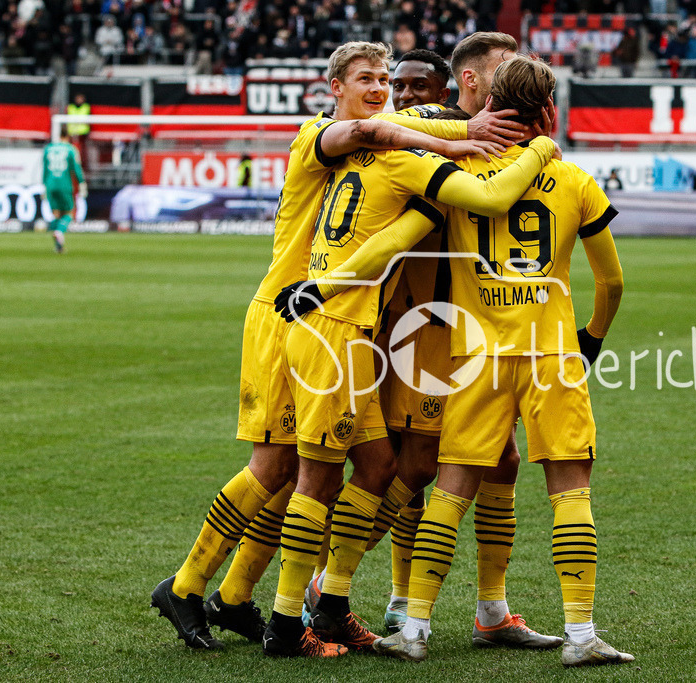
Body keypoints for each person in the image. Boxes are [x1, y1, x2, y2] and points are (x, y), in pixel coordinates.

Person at [150, 39, 530, 656]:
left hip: (341, 320)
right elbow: (371, 131)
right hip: (295, 313)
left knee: (359, 469)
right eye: (369, 78)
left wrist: (454, 135)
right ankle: (197, 588)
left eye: (389, 79)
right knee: (281, 470)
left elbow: (388, 138)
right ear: (333, 87)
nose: (383, 89)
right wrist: (465, 134)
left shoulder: (377, 150)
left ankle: (244, 595)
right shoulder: (319, 137)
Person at [262, 41, 557, 659]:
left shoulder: (440, 133)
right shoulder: (414, 135)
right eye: (383, 83)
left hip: (471, 330)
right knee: (395, 468)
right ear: (475, 79)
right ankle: (318, 601)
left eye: (400, 84)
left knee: (481, 463)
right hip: (410, 328)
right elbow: (438, 204)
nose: (397, 95)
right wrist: (507, 144)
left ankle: (483, 607)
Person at [350, 55, 634, 668]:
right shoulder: (576, 180)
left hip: (474, 355)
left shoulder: (460, 176)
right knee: (570, 488)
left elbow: (397, 240)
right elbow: (611, 282)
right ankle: (581, 635)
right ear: (551, 112)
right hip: (552, 354)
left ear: (490, 107)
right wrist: (589, 340)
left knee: (451, 491)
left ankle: (415, 627)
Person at [350, 35, 560, 649]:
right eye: (504, 71)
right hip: (427, 328)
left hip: (487, 333)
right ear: (472, 83)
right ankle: (329, 586)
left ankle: (490, 610)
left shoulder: (493, 145)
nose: (518, 80)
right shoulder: (434, 133)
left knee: (501, 461)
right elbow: (388, 129)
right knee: (413, 467)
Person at [42, 129, 85, 254]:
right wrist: (81, 183)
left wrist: (44, 186)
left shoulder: (48, 148)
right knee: (69, 213)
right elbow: (76, 168)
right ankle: (59, 231)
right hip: (64, 184)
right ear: (68, 137)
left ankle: (58, 246)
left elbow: (44, 169)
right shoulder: (70, 149)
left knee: (56, 214)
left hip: (50, 184)